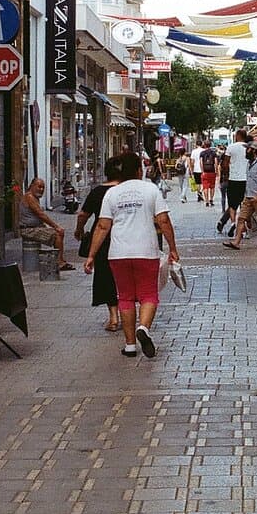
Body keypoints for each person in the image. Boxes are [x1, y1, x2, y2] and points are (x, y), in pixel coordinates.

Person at [84, 151, 179, 359]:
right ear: (139, 170)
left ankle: (129, 346)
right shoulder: (150, 190)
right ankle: (143, 328)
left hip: (118, 253)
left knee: (125, 297)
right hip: (146, 251)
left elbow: (102, 226)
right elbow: (163, 221)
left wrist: (91, 255)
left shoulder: (112, 194)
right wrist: (173, 248)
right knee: (148, 294)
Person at [75, 156, 122, 332]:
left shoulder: (97, 192)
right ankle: (129, 314)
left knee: (105, 276)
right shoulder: (125, 191)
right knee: (124, 277)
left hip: (102, 239)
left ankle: (113, 317)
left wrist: (79, 231)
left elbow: (83, 215)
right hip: (124, 237)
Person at [223, 144, 257, 250]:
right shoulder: (249, 163)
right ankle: (236, 242)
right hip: (248, 196)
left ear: (254, 151)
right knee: (241, 218)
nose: (246, 151)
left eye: (248, 149)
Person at [19, 177, 73, 270]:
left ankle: (60, 259)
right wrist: (56, 226)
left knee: (59, 232)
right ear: (32, 186)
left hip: (35, 227)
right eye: (39, 187)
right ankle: (59, 262)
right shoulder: (29, 197)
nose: (41, 189)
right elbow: (41, 214)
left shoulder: (35, 197)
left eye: (43, 187)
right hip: (29, 229)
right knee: (57, 234)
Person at [222, 129, 248, 234]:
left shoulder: (231, 147)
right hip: (246, 179)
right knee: (244, 204)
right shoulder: (248, 148)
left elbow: (225, 163)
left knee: (232, 203)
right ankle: (243, 227)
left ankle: (233, 223)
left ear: (237, 136)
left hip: (233, 179)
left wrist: (227, 175)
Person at [199, 139, 218, 208]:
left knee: (205, 187)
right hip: (212, 172)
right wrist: (216, 171)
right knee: (212, 187)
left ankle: (206, 201)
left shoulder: (202, 153)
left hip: (205, 172)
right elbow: (216, 163)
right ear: (210, 145)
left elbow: (201, 162)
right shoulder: (213, 153)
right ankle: (211, 200)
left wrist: (202, 171)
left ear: (204, 145)